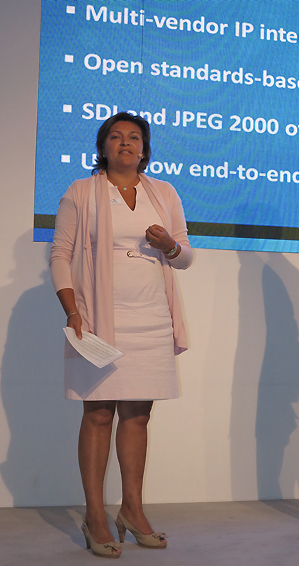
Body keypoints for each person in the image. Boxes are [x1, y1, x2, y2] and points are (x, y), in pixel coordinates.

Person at [49, 112, 192, 558]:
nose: (125, 142)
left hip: (151, 318)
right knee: (97, 414)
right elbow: (60, 254)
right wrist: (72, 311)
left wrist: (169, 245)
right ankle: (95, 516)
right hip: (98, 319)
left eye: (134, 137)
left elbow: (185, 256)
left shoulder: (164, 192)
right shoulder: (80, 191)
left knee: (137, 415)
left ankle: (131, 509)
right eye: (115, 136)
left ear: (145, 149)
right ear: (103, 146)